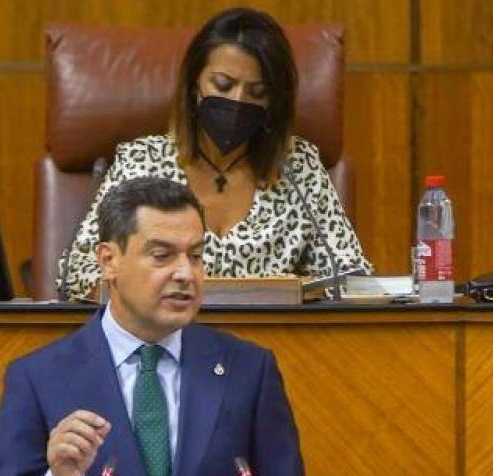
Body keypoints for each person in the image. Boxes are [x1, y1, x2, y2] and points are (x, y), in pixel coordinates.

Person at [0, 177, 318, 476]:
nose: (185, 274)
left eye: (195, 255)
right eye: (162, 256)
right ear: (109, 261)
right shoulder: (38, 379)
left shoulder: (248, 371)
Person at [56, 7, 370, 300]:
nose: (238, 100)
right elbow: (77, 272)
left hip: (271, 347)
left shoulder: (297, 167)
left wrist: (288, 294)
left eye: (257, 92)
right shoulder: (142, 163)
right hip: (161, 342)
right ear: (195, 86)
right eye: (223, 84)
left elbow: (352, 280)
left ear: (275, 101)